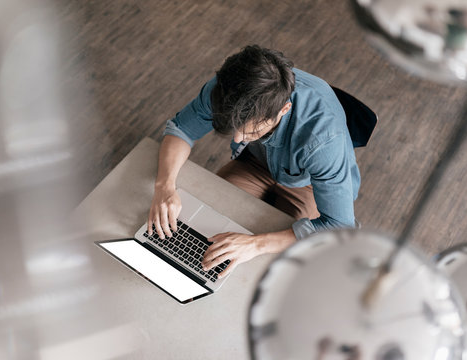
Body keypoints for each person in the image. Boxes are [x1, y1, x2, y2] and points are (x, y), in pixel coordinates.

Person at [147, 45, 360, 278]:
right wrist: (164, 186)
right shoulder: (227, 88)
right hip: (255, 163)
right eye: (235, 128)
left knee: (274, 269)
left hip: (308, 182)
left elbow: (338, 227)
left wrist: (255, 245)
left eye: (251, 132)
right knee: (203, 228)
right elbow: (181, 128)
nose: (237, 138)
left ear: (283, 110)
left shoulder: (324, 140)